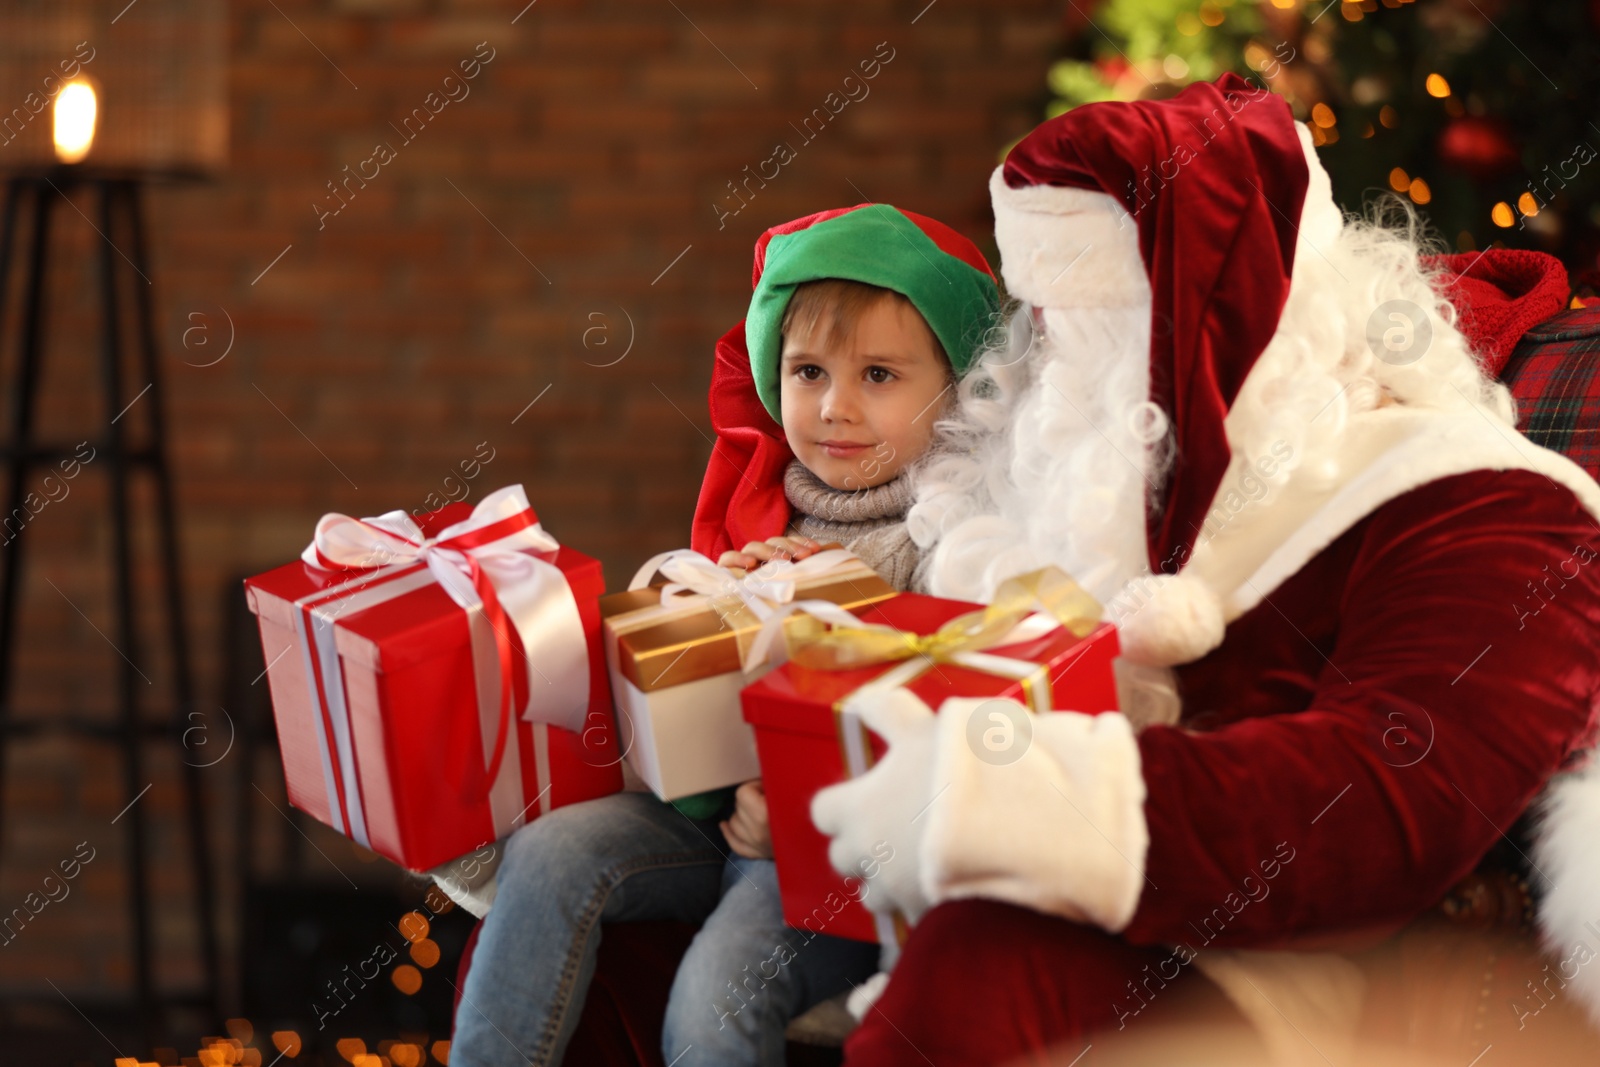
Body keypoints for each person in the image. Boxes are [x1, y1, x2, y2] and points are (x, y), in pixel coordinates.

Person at [806, 74, 1600, 1066]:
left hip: (1300, 996)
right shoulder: (1077, 493)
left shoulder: (1482, 502)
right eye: (1045, 322)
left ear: (1244, 314)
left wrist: (1000, 795)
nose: (1061, 371)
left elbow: (1385, 797)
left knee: (986, 970)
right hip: (1008, 915)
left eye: (1101, 326)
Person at [446, 202, 1000, 1067]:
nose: (834, 407)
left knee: (715, 998)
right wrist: (697, 600)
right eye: (808, 370)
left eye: (880, 376)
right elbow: (687, 684)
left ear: (957, 386)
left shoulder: (955, 543)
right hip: (711, 816)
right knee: (552, 849)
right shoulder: (761, 504)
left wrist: (805, 801)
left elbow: (957, 736)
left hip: (841, 859)